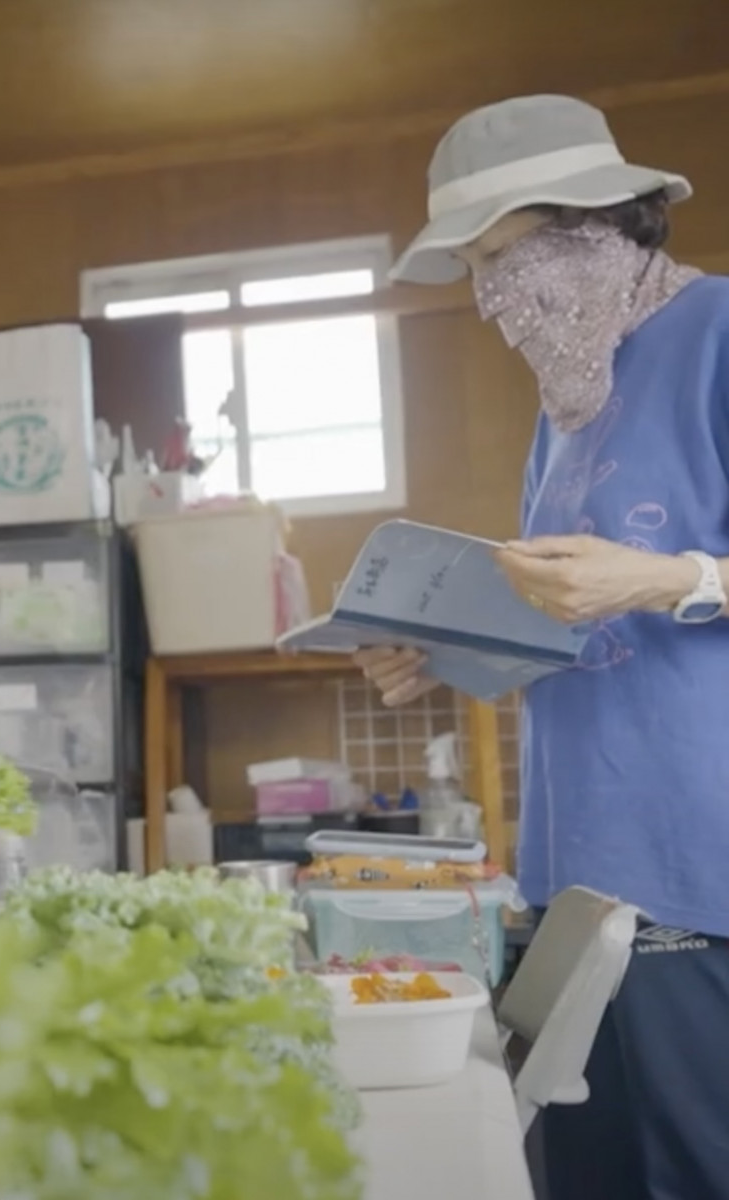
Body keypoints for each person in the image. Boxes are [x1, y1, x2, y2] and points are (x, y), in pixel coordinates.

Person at [372, 94, 729, 1200]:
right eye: (473, 267)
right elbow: (570, 632)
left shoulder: (717, 333)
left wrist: (669, 578)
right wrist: (445, 646)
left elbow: (641, 589)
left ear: (600, 224)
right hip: (575, 874)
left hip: (694, 872)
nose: (491, 297)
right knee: (576, 1174)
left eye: (502, 255)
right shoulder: (566, 407)